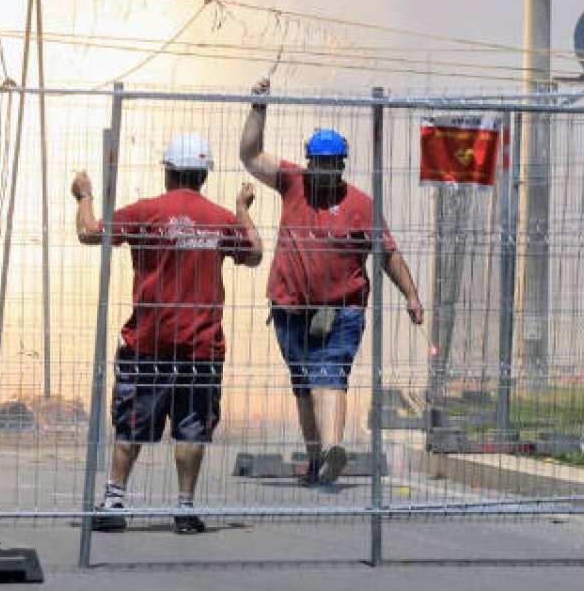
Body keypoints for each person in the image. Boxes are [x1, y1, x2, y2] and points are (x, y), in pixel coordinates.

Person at [72, 132, 262, 534]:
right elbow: (255, 253)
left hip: (148, 342)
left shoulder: (146, 212)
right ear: (203, 176)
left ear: (169, 172)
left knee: (131, 423)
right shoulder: (219, 219)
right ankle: (185, 508)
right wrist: (242, 209)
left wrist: (84, 195)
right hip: (201, 347)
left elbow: (89, 232)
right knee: (192, 427)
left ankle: (114, 501)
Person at [239, 78, 424, 486]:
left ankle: (333, 447)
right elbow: (250, 155)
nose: (322, 173)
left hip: (342, 309)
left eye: (330, 166)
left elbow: (387, 254)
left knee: (331, 373)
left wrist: (411, 294)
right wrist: (259, 106)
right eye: (317, 165)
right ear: (308, 162)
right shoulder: (292, 182)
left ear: (341, 165)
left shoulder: (360, 205)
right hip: (290, 307)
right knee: (304, 383)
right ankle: (315, 458)